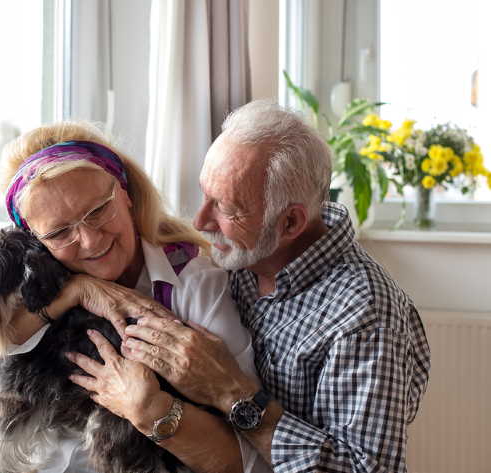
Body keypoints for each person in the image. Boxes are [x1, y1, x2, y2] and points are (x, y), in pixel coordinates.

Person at [72, 101, 432, 472]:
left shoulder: (364, 314)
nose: (200, 221)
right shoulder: (238, 259)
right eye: (204, 194)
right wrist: (86, 288)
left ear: (290, 222)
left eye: (226, 209)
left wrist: (230, 392)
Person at [0, 122, 266, 473]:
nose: (91, 240)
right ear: (33, 239)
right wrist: (75, 294)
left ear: (125, 192)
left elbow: (248, 453)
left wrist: (152, 408)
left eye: (98, 210)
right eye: (61, 231)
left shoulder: (193, 284)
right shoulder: (35, 279)